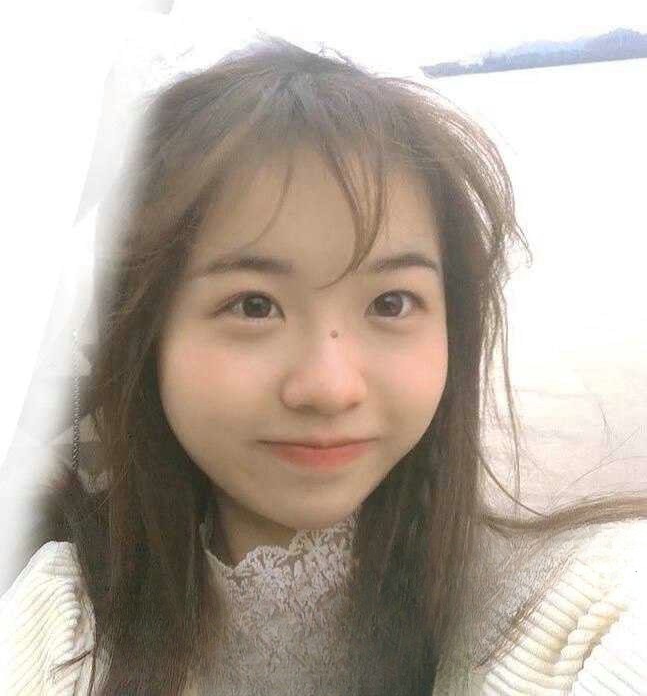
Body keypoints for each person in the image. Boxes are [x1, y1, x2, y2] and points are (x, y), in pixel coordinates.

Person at [1, 35, 646, 696]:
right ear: (147, 335)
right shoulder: (58, 631)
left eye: (391, 302)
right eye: (254, 305)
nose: (330, 387)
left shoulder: (576, 608)